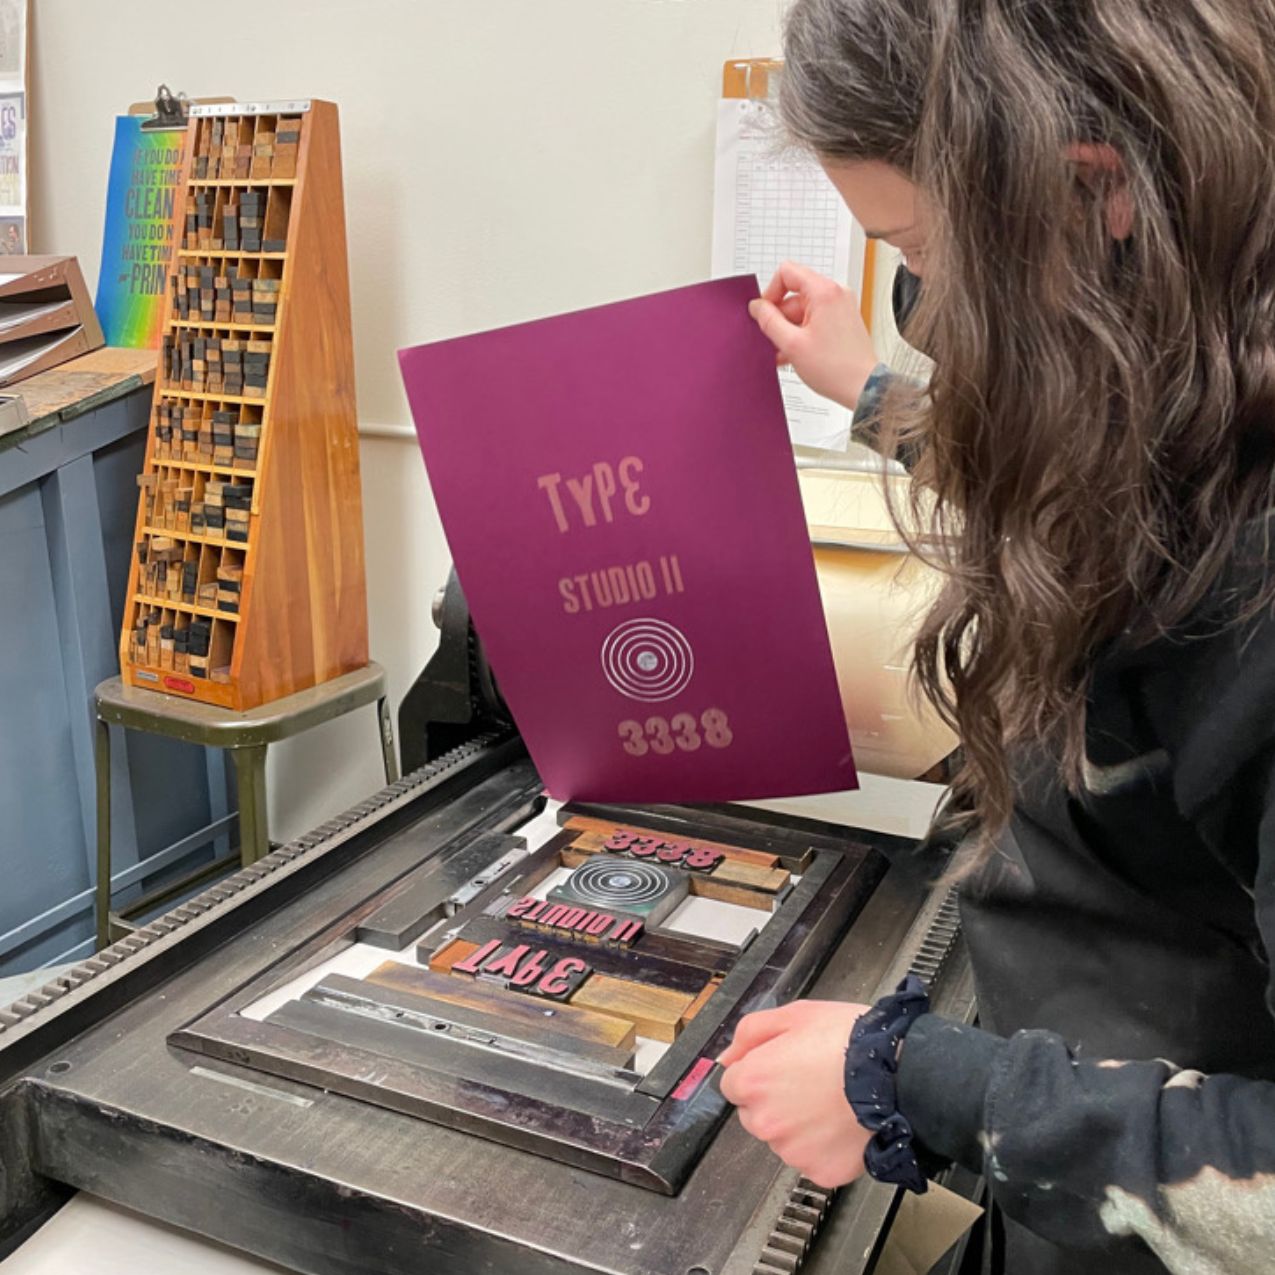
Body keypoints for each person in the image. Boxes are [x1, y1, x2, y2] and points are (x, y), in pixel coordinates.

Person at [717, 2, 1275, 1273]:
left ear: (1099, 194)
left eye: (924, 250)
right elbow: (1099, 482)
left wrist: (914, 1082)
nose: (927, 309)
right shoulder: (1199, 344)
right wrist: (867, 393)